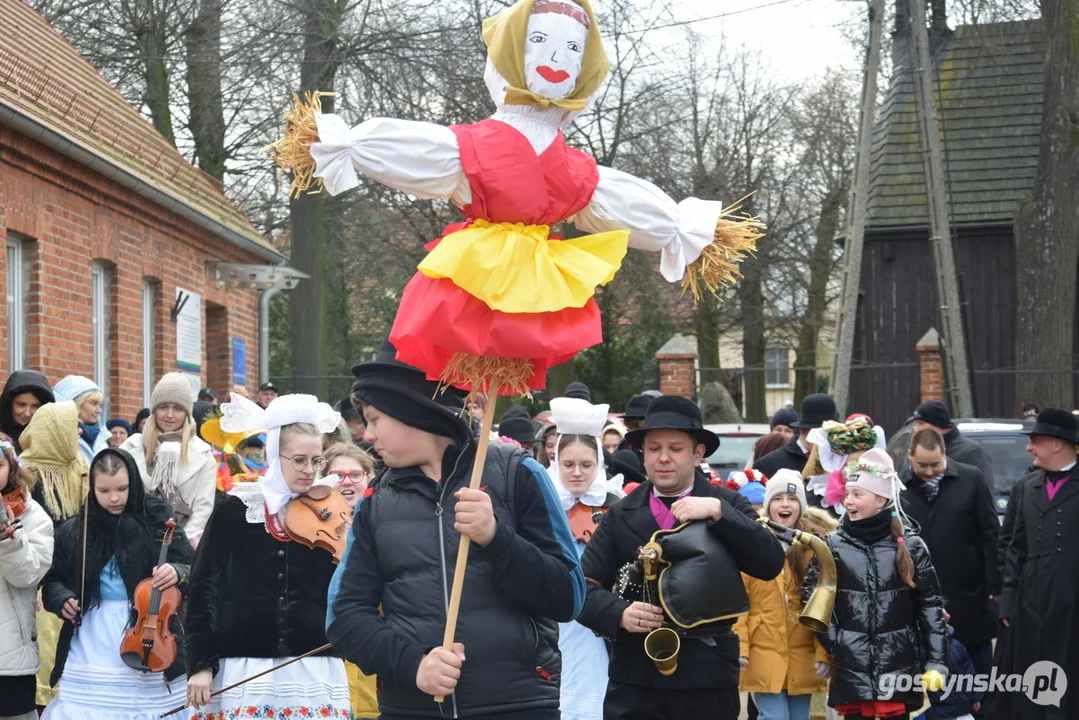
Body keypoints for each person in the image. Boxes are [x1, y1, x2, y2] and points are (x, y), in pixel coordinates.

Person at [326, 338, 585, 719]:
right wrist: (413, 666)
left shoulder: (517, 473)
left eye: (375, 419)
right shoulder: (374, 501)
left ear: (413, 409)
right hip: (411, 709)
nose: (367, 435)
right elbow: (343, 617)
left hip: (518, 705)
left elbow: (569, 597)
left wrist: (497, 539)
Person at [576, 394, 784, 720]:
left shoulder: (727, 504)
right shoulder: (618, 515)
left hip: (708, 677)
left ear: (698, 452)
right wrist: (619, 613)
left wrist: (721, 514)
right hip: (635, 678)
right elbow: (580, 588)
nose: (663, 458)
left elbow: (770, 563)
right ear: (642, 453)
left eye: (676, 449)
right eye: (654, 448)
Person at [184, 393, 351, 719]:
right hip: (244, 669)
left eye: (316, 460)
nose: (309, 470)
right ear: (276, 454)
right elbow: (204, 588)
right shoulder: (235, 509)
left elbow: (347, 588)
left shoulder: (331, 512)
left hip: (314, 667)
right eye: (299, 459)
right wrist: (201, 663)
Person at [41, 448, 194, 720]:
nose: (114, 498)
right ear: (92, 488)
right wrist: (62, 598)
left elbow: (191, 566)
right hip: (90, 632)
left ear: (133, 482)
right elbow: (54, 579)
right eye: (104, 491)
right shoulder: (77, 527)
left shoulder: (157, 516)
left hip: (147, 627)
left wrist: (177, 571)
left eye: (122, 489)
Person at [808, 448, 948, 719]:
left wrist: (937, 660)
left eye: (858, 495)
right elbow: (813, 599)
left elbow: (930, 605)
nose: (848, 501)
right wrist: (836, 641)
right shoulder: (832, 547)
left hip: (898, 667)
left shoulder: (911, 546)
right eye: (847, 494)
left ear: (882, 500)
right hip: (851, 667)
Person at [899, 427, 999, 708]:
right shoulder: (899, 487)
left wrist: (995, 585)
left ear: (945, 455)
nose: (929, 471)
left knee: (977, 675)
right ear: (910, 457)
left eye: (935, 464)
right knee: (932, 682)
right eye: (922, 465)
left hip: (969, 593)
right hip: (921, 598)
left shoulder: (970, 478)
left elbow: (991, 533)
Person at [997, 408, 1079, 719]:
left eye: (1036, 441)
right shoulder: (1025, 486)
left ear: (1057, 444)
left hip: (1072, 599)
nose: (1029, 447)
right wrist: (1007, 602)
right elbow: (1012, 548)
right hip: (1031, 602)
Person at [734, 469, 830, 720]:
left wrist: (824, 652)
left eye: (792, 499)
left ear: (801, 505)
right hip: (763, 648)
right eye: (777, 499)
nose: (785, 505)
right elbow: (739, 601)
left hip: (804, 649)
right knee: (774, 717)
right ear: (768, 505)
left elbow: (824, 604)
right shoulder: (752, 543)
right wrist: (740, 647)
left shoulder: (814, 548)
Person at [548, 397, 622, 720]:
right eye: (568, 465)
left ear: (599, 464)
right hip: (554, 624)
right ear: (556, 462)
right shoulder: (539, 504)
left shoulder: (617, 506)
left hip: (599, 625)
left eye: (586, 465)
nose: (577, 473)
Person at [18, 401, 89, 707]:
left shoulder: (82, 468)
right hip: (38, 588)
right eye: (72, 426)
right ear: (54, 432)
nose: (80, 431)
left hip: (70, 583)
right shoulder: (25, 476)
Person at [318, 442, 379, 719]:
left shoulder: (380, 520)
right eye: (338, 475)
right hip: (324, 652)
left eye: (356, 475)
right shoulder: (307, 529)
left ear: (368, 478)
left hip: (372, 644)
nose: (347, 482)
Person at [121, 373, 216, 545]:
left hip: (181, 544)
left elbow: (203, 509)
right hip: (134, 541)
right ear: (154, 409)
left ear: (187, 413)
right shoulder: (130, 446)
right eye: (163, 407)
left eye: (178, 408)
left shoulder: (204, 454)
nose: (170, 415)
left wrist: (180, 546)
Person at [0, 437, 55, 720]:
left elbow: (29, 575)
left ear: (11, 468)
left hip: (10, 656)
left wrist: (9, 540)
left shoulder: (32, 515)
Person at [914, 609, 982, 720]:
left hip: (962, 707)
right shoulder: (919, 651)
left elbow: (969, 672)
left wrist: (975, 696)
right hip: (937, 710)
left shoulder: (956, 646)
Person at [911, 401, 994, 491]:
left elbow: (984, 492)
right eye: (915, 424)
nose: (916, 429)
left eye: (921, 423)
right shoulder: (916, 450)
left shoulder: (971, 452)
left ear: (939, 425)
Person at [755, 394, 839, 478]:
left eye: (833, 433)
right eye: (824, 435)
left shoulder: (840, 459)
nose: (830, 440)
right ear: (804, 431)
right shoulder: (768, 464)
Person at [53, 376, 109, 463]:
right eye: (94, 403)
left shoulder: (101, 437)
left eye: (100, 404)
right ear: (75, 404)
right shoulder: (57, 439)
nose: (99, 410)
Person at [0, 370, 54, 454]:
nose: (27, 413)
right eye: (21, 404)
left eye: (35, 406)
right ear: (9, 404)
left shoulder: (53, 440)